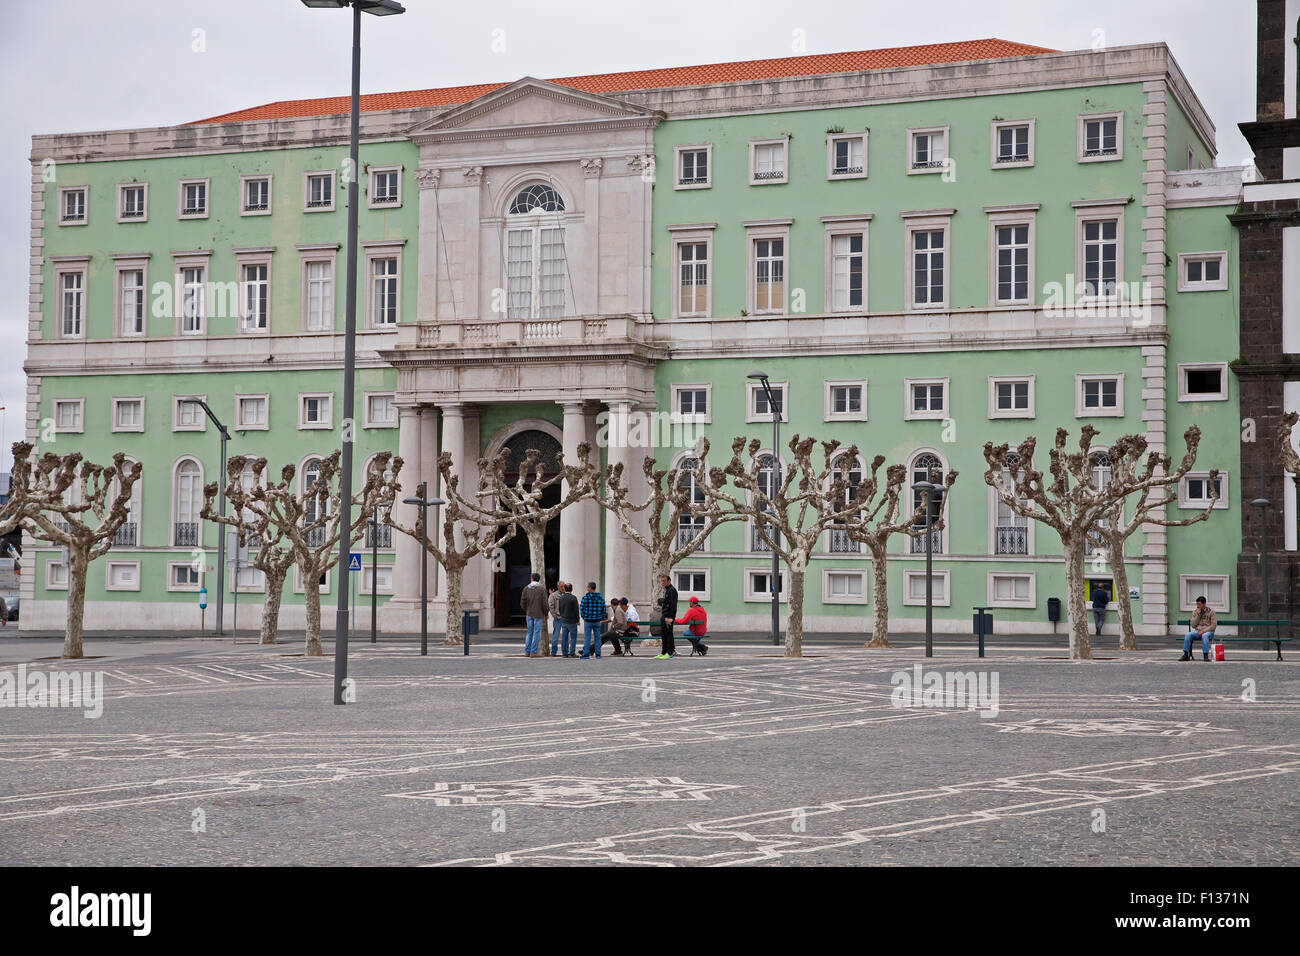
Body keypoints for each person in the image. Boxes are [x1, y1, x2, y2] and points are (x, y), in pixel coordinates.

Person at [520, 572, 548, 657]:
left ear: (532, 578)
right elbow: (544, 603)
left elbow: (523, 602)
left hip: (529, 613)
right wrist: (546, 612)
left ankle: (527, 651)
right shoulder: (542, 589)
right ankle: (533, 652)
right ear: (539, 579)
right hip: (539, 614)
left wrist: (526, 610)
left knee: (529, 632)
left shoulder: (526, 588)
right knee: (536, 632)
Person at [1181, 596, 1217, 661]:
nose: (1198, 606)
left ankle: (1205, 655)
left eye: (1199, 604)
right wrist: (1198, 615)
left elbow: (1213, 626)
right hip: (1198, 631)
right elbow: (1193, 625)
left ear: (1204, 604)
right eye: (1197, 604)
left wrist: (1203, 631)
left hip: (1208, 632)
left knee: (1205, 636)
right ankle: (1186, 654)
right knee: (1188, 635)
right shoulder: (1195, 612)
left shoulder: (1211, 612)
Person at [579, 581, 608, 659]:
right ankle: (598, 654)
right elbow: (604, 609)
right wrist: (600, 617)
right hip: (597, 621)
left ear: (590, 588)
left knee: (587, 638)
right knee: (598, 638)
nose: (587, 588)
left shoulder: (585, 597)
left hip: (588, 621)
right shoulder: (600, 597)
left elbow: (581, 609)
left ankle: (586, 654)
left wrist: (584, 617)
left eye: (587, 587)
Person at [655, 575, 678, 660]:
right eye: (662, 581)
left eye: (664, 581)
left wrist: (671, 617)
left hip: (668, 616)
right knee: (664, 634)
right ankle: (663, 652)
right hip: (664, 615)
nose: (663, 582)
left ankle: (669, 652)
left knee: (668, 634)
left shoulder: (672, 591)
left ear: (669, 581)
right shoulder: (667, 590)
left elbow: (673, 605)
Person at [556, 583, 580, 657]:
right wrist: (577, 620)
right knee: (573, 638)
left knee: (564, 638)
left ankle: (564, 653)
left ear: (565, 589)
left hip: (564, 620)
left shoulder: (561, 598)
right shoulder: (573, 598)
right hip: (572, 621)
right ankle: (572, 652)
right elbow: (576, 610)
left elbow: (560, 609)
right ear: (572, 589)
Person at [548, 581, 565, 657]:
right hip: (558, 618)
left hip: (565, 618)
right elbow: (551, 606)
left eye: (563, 586)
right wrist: (555, 616)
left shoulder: (566, 595)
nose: (563, 588)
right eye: (561, 586)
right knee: (556, 636)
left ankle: (565, 651)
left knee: (566, 636)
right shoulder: (553, 595)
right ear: (558, 587)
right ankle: (553, 651)